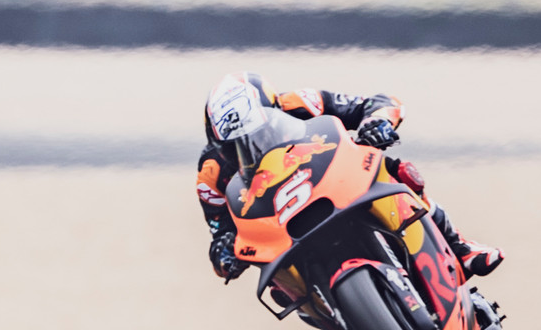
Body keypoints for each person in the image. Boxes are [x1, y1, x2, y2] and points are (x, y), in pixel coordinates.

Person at [195, 71, 502, 285]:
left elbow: (378, 103)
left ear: (275, 109)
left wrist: (376, 123)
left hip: (332, 183)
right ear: (218, 143)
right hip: (284, 230)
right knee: (278, 284)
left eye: (259, 134)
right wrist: (224, 253)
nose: (251, 149)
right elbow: (220, 234)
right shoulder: (211, 175)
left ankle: (459, 247)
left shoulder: (301, 102)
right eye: (235, 146)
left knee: (393, 170)